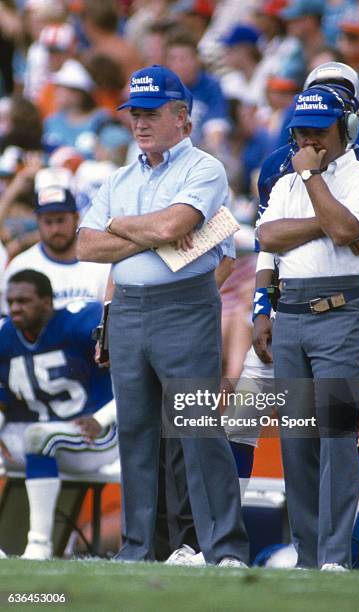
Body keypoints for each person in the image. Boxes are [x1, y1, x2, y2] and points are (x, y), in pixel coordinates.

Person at [77, 64, 249, 566]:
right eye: (134, 113)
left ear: (184, 119)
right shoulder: (118, 176)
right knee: (135, 434)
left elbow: (177, 224)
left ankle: (222, 549)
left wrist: (121, 226)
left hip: (186, 306)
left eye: (151, 113)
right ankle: (140, 550)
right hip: (129, 309)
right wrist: (148, 234)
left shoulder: (204, 168)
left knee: (197, 428)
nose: (139, 123)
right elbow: (87, 246)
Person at [257, 83, 359, 570]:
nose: (308, 141)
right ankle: (309, 556)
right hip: (290, 314)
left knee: (336, 439)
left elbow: (346, 232)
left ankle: (335, 556)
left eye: (319, 130)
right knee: (296, 444)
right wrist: (329, 220)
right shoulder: (283, 181)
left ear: (347, 128)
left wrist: (314, 184)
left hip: (340, 313)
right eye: (301, 132)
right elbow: (268, 236)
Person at [0, 269, 118, 560]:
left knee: (39, 437)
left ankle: (38, 545)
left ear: (46, 302)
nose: (15, 308)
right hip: (37, 428)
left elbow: (135, 380)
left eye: (24, 301)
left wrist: (102, 418)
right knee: (37, 435)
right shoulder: (6, 336)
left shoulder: (80, 323)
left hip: (97, 433)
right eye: (11, 301)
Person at [1, 184, 110, 313]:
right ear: (37, 221)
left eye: (60, 220)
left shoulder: (101, 263)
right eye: (48, 222)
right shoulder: (21, 267)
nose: (55, 229)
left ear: (76, 218)